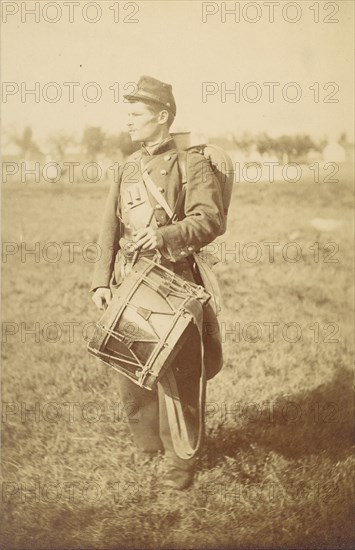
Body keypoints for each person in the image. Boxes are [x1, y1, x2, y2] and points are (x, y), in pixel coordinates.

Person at [91, 75, 224, 489]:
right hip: (130, 281)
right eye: (127, 114)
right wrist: (100, 282)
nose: (128, 122)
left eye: (136, 115)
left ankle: (180, 460)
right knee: (131, 365)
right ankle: (147, 445)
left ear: (162, 117)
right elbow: (106, 230)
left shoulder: (192, 164)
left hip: (175, 282)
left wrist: (165, 236)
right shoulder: (127, 168)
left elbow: (210, 220)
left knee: (180, 375)